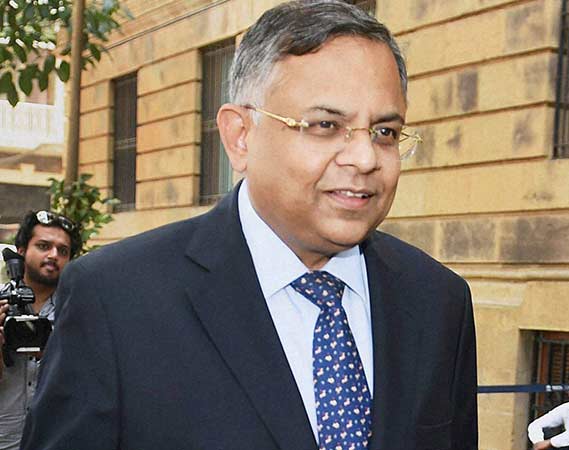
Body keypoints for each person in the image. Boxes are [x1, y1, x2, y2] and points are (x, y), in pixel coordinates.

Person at [21, 1, 478, 450]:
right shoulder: (115, 299)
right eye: (325, 125)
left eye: (384, 132)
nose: (364, 158)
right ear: (240, 136)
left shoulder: (438, 301)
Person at [0, 210, 80, 450]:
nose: (53, 255)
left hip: (56, 440)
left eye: (63, 251)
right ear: (21, 250)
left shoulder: (79, 310)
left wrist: (54, 355)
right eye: (44, 246)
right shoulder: (1, 303)